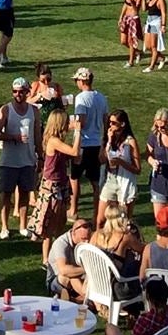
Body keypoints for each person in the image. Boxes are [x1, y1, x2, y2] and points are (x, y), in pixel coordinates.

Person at [29, 108, 81, 251]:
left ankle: (58, 251)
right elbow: (74, 151)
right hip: (52, 186)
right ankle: (47, 258)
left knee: (62, 220)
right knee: (51, 223)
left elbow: (76, 157)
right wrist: (77, 131)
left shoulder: (59, 140)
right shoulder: (53, 141)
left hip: (61, 183)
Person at [0, 76, 39, 239]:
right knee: (6, 194)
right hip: (9, 161)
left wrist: (40, 155)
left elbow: (37, 135)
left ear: (28, 92)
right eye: (15, 92)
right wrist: (13, 137)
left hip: (27, 159)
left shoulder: (34, 111)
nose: (18, 94)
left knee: (24, 193)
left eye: (21, 92)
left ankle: (22, 225)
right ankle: (4, 227)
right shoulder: (6, 110)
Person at [70, 66, 108, 221]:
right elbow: (106, 120)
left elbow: (81, 122)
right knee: (95, 182)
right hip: (96, 143)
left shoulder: (81, 98)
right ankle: (97, 215)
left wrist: (68, 123)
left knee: (74, 178)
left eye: (77, 80)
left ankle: (73, 210)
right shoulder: (101, 97)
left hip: (83, 143)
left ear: (82, 81)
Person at [97, 109, 141, 229]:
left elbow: (138, 169)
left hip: (125, 182)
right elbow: (101, 159)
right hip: (110, 180)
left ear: (122, 124)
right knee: (100, 220)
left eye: (113, 123)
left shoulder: (130, 142)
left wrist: (121, 162)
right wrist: (109, 141)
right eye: (109, 122)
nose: (110, 125)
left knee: (123, 222)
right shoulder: (107, 138)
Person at [48, 219, 93, 301]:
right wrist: (88, 269)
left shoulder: (85, 244)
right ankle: (88, 298)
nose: (87, 242)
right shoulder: (61, 243)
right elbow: (63, 270)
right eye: (83, 238)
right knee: (71, 275)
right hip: (57, 279)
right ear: (73, 233)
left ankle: (78, 299)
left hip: (78, 276)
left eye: (88, 238)